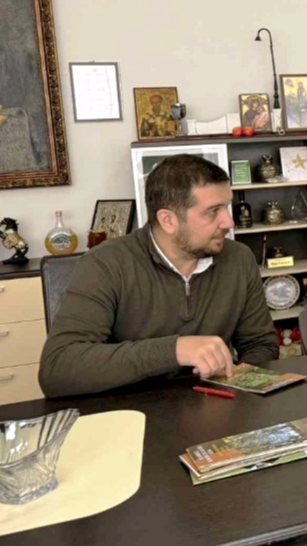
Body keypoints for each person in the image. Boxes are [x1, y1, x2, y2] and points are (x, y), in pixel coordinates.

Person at [40, 154, 278, 397]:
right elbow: (57, 369)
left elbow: (260, 346)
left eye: (226, 207)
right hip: (129, 410)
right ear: (168, 220)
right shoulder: (105, 264)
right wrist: (175, 350)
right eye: (213, 211)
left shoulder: (239, 258)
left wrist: (236, 387)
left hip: (215, 403)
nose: (229, 222)